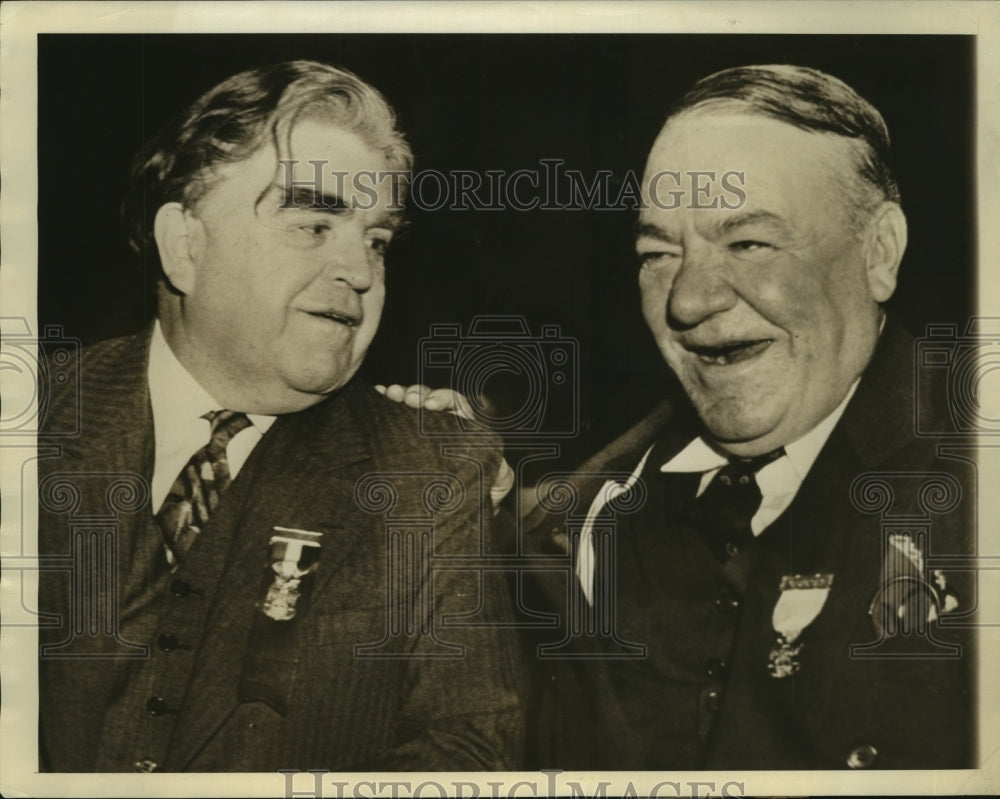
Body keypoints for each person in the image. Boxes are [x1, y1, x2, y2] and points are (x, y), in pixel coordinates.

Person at [37, 60, 522, 772]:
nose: (360, 270)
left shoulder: (432, 472)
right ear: (185, 246)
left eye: (378, 239)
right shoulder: (31, 420)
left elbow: (469, 749)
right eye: (314, 223)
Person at [522, 64, 976, 770]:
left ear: (879, 252)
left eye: (748, 243)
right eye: (657, 254)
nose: (688, 301)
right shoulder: (580, 521)